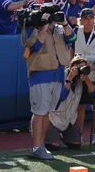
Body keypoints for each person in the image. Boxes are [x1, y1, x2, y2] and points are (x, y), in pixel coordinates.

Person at [22, 11, 76, 160]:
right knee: (39, 112)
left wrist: (64, 23)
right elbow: (34, 45)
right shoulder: (32, 27)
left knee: (46, 113)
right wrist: (44, 27)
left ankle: (41, 145)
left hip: (57, 74)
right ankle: (35, 147)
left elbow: (72, 37)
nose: (53, 18)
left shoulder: (60, 28)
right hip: (40, 75)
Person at [71, 8, 95, 145]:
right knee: (80, 105)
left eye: (91, 18)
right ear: (81, 20)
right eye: (86, 18)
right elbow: (71, 53)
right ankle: (79, 134)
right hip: (78, 76)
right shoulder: (75, 32)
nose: (89, 20)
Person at [45, 56, 95, 151]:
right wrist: (70, 77)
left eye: (84, 67)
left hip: (69, 118)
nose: (81, 70)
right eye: (79, 67)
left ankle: (62, 136)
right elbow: (61, 97)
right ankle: (50, 135)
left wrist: (87, 80)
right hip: (53, 117)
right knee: (53, 147)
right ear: (72, 66)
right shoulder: (62, 75)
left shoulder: (82, 80)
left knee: (75, 146)